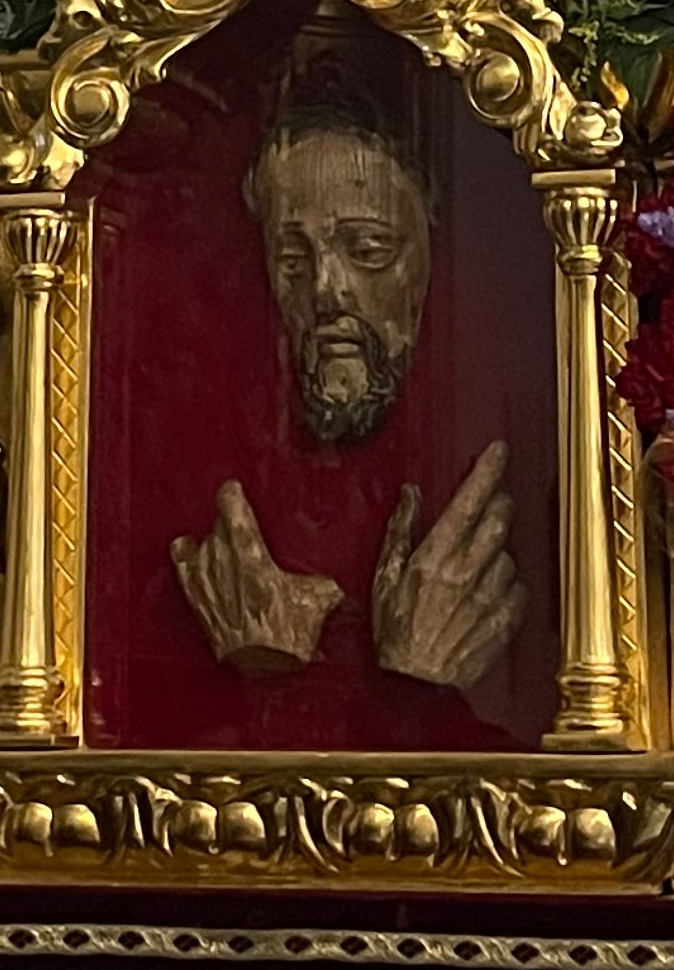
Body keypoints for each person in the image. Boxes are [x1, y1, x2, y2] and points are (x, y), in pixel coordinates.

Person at [168, 97, 522, 692]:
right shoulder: (204, 451)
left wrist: (426, 677)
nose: (327, 289)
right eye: (292, 257)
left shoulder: (483, 425)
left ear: (431, 251)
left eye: (367, 250)